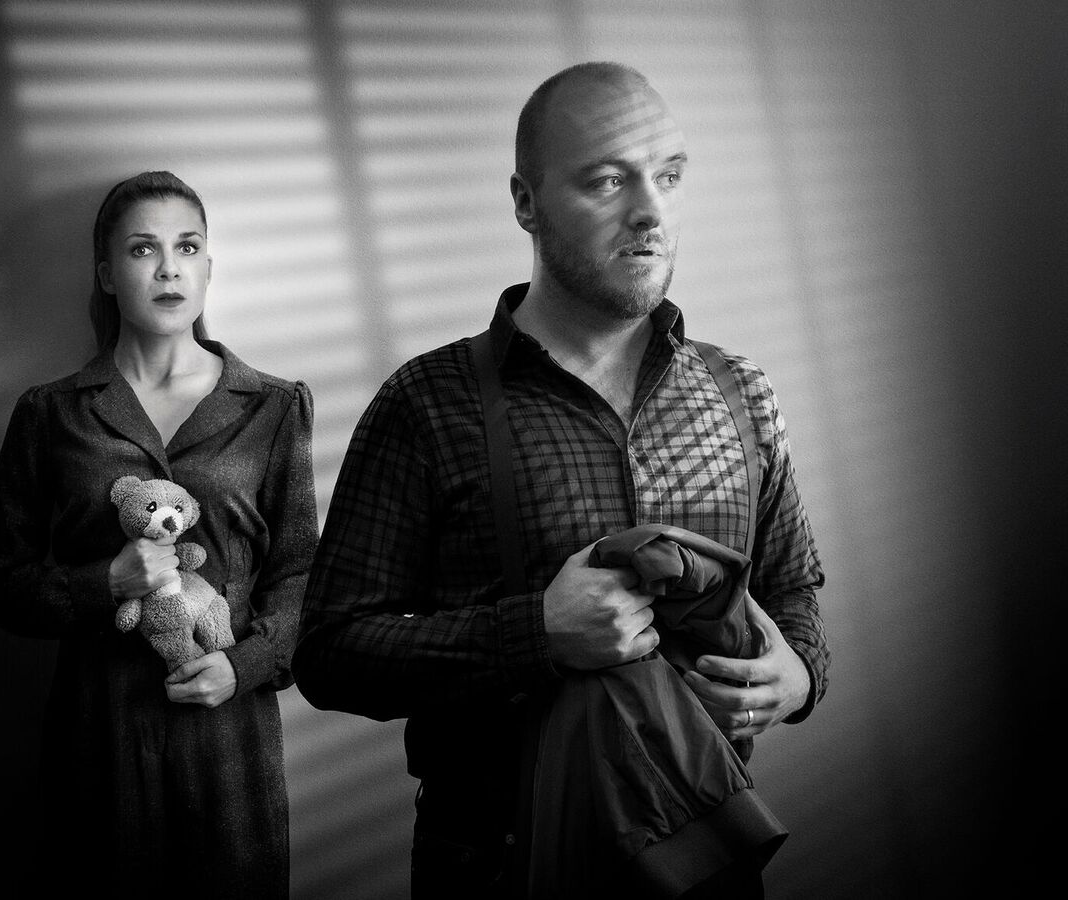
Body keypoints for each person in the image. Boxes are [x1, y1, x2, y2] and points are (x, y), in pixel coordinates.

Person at [292, 62, 829, 898]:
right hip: (499, 867)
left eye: (669, 176)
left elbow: (793, 587)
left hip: (710, 856)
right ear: (526, 202)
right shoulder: (427, 405)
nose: (651, 212)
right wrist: (534, 634)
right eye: (608, 180)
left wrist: (797, 677)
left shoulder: (741, 393)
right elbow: (329, 654)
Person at [0, 170, 317, 899]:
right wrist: (106, 583)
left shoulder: (273, 407)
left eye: (186, 247)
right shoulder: (51, 414)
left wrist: (245, 665)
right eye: (142, 249)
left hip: (231, 743)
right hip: (99, 736)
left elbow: (300, 573)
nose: (168, 269)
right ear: (106, 272)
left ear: (208, 267)